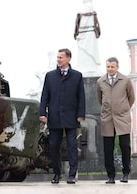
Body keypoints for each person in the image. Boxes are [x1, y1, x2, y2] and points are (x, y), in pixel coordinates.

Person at [39, 48, 86, 184]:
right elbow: (44, 96)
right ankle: (57, 174)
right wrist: (43, 113)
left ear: (68, 59)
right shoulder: (50, 76)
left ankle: (72, 175)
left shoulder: (77, 76)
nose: (58, 60)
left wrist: (80, 114)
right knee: (54, 146)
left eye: (61, 57)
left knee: (72, 146)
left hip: (71, 117)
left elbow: (81, 97)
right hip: (54, 116)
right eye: (58, 57)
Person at [96, 57, 135, 184]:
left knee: (125, 145)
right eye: (108, 67)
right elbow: (100, 98)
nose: (110, 69)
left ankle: (125, 173)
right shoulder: (101, 81)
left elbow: (131, 97)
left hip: (122, 117)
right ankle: (110, 176)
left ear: (117, 67)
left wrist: (123, 108)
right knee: (108, 148)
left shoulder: (125, 80)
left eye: (112, 67)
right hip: (107, 118)